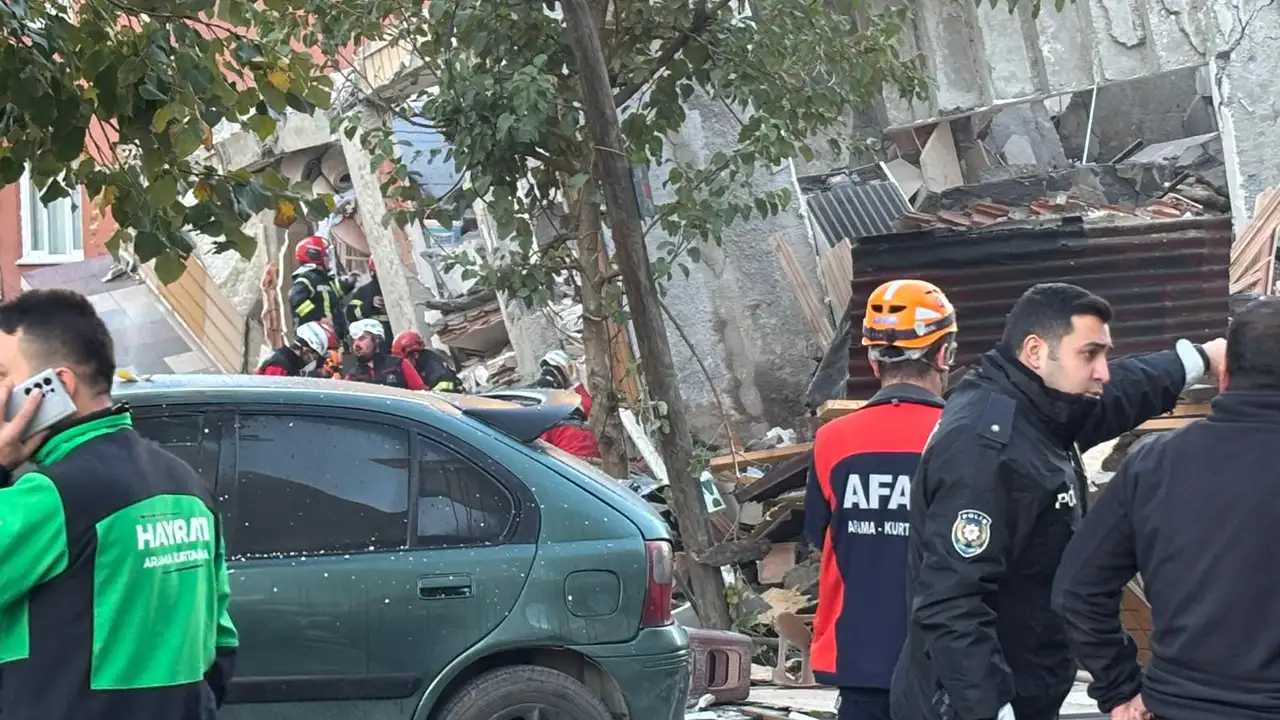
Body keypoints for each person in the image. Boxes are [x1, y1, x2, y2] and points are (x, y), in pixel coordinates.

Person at [890, 282, 1224, 720]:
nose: (1102, 370)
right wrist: (991, 709)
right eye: (1090, 355)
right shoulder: (986, 448)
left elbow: (1122, 390)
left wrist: (1200, 359)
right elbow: (952, 601)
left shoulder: (1040, 410)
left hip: (1025, 685)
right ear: (1034, 352)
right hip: (967, 704)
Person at [0, 289, 237, 719]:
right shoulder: (187, 485)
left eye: (1, 375)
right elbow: (221, 644)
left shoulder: (46, 497)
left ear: (56, 386)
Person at [1051, 300, 1273, 720]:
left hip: (1178, 705)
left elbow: (1077, 591)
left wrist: (1121, 690)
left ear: (1224, 378)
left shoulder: (1156, 464)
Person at [804, 279, 957, 720]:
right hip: (944, 667)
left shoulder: (832, 441)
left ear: (873, 359)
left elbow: (819, 536)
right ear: (944, 354)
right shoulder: (962, 439)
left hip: (858, 661)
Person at [530, 349, 599, 459]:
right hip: (588, 462)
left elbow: (538, 444)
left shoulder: (546, 411)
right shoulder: (578, 399)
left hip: (570, 464)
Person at [289, 235, 353, 340]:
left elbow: (330, 293)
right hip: (315, 339)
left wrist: (351, 282)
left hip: (331, 337)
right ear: (315, 256)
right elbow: (296, 301)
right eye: (325, 255)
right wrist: (318, 319)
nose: (328, 258)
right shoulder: (305, 279)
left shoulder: (321, 279)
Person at [345, 318, 426, 390]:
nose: (356, 344)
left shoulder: (399, 365)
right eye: (353, 340)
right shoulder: (353, 376)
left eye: (362, 338)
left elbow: (422, 395)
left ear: (377, 340)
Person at [345, 258, 392, 353]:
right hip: (375, 345)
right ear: (373, 272)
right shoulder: (364, 292)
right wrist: (370, 304)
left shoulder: (398, 288)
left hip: (397, 339)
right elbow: (351, 315)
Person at [391, 330, 462, 392]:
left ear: (415, 355)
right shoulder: (423, 362)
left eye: (404, 360)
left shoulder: (437, 373)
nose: (402, 365)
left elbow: (435, 398)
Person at [256, 321, 329, 377]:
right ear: (306, 350)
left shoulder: (292, 363)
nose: (312, 361)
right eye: (314, 357)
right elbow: (270, 394)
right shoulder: (279, 366)